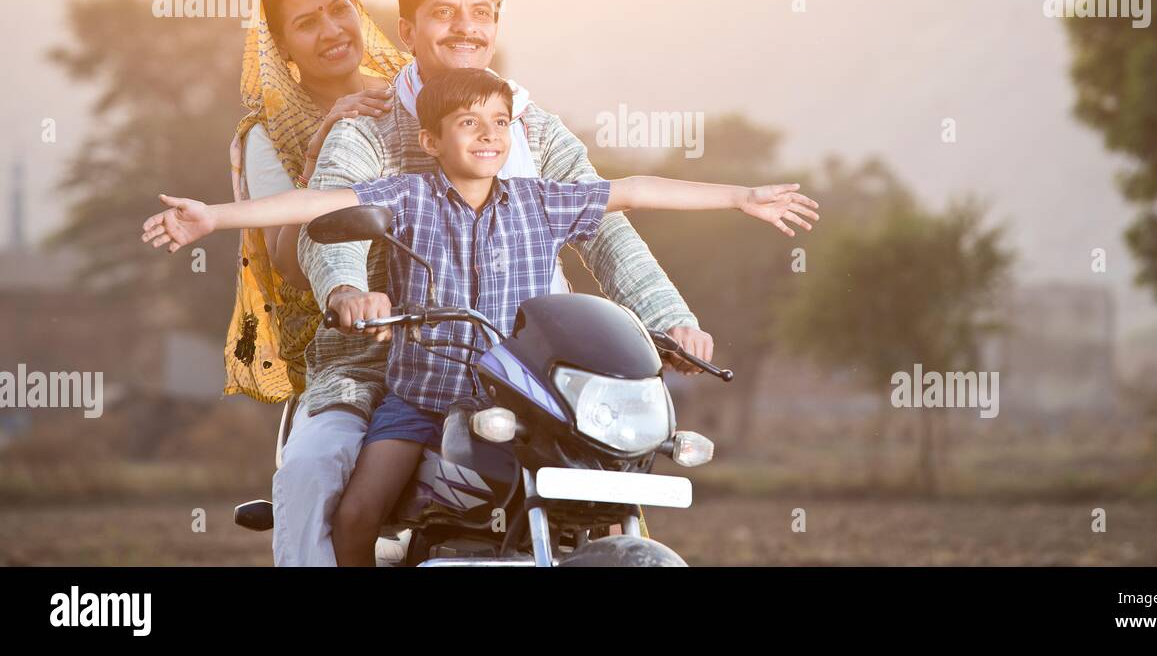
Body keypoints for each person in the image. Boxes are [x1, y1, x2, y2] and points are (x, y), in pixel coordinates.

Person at [141, 68, 820, 565]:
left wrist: (742, 196)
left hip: (517, 401)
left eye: (499, 121)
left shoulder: (539, 201)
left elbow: (636, 191)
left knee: (602, 482)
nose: (488, 134)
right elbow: (315, 207)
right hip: (422, 396)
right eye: (469, 122)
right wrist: (214, 217)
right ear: (432, 141)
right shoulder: (407, 196)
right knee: (355, 513)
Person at [272, 0, 717, 561]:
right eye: (444, 13)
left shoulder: (528, 124)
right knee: (315, 470)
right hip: (383, 362)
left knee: (610, 479)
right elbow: (332, 219)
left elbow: (606, 228)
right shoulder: (369, 124)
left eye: (481, 12)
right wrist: (348, 292)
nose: (465, 27)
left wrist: (672, 319)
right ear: (407, 30)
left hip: (530, 367)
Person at [225, 0, 406, 407]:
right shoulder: (269, 135)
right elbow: (289, 265)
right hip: (342, 339)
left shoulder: (409, 94)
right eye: (307, 23)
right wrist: (321, 145)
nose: (332, 31)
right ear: (281, 46)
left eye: (340, 9)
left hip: (440, 321)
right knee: (324, 467)